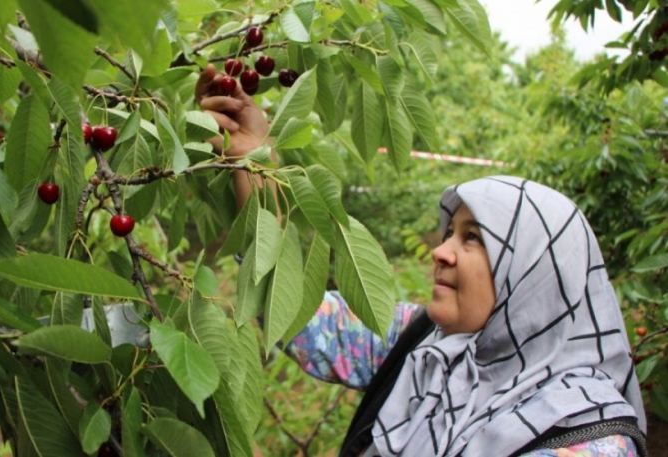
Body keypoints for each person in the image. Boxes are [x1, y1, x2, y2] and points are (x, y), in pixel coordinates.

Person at [196, 66, 648, 456]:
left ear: (535, 276)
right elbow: (294, 313)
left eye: (473, 238)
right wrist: (254, 156)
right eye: (450, 232)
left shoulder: (588, 440)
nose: (441, 250)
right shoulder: (425, 345)